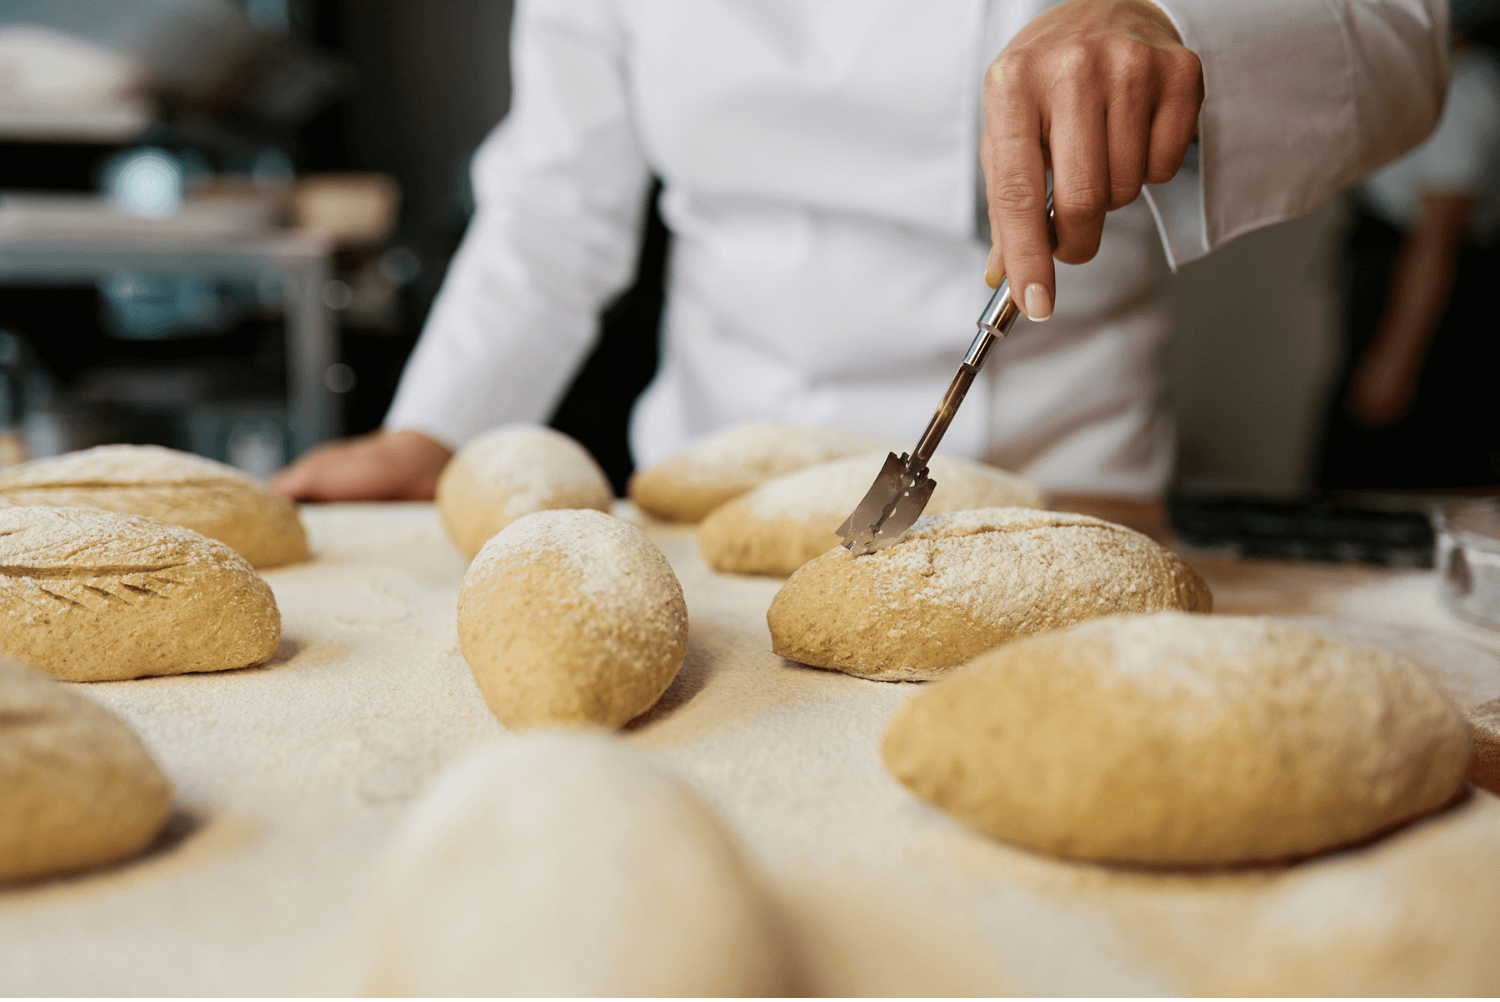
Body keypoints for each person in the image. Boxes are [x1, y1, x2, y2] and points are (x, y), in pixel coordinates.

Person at [273, 0, 1449, 515]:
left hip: (1054, 484)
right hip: (708, 483)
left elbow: (1399, 35)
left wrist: (1176, 22)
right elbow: (551, 198)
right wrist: (432, 433)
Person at [1316, 21, 1500, 490]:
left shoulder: (1463, 94)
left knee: (1391, 468)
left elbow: (1437, 241)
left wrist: (1394, 363)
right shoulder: (1426, 83)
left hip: (1427, 313)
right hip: (1384, 279)